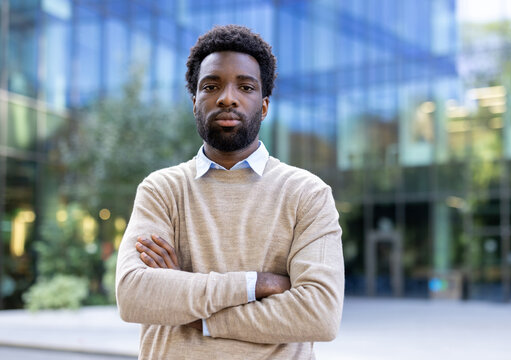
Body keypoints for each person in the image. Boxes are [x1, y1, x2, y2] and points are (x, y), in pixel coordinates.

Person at [116, 24, 344, 360]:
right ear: (195, 101)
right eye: (211, 86)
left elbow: (319, 315)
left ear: (264, 106)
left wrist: (194, 311)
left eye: (246, 87)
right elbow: (134, 295)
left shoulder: (307, 194)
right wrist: (255, 285)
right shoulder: (162, 190)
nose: (227, 97)